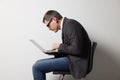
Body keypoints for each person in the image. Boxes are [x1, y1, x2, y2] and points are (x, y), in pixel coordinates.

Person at [32, 10, 91, 80]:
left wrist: (59, 46)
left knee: (37, 67)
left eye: (48, 25)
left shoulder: (71, 25)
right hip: (72, 59)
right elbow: (71, 47)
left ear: (54, 19)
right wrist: (56, 52)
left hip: (76, 62)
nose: (49, 28)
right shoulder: (67, 25)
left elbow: (77, 49)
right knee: (37, 63)